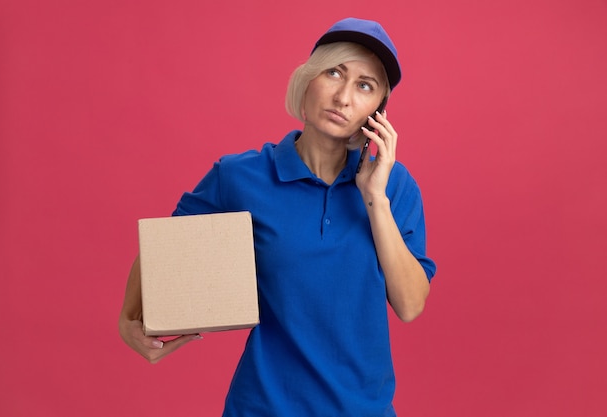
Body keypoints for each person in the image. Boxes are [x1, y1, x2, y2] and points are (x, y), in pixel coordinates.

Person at [119, 17, 437, 417]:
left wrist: (375, 197)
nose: (343, 97)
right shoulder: (241, 177)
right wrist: (127, 319)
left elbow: (410, 305)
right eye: (334, 72)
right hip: (263, 407)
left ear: (377, 113)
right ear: (307, 80)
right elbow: (162, 249)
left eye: (364, 86)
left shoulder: (394, 185)